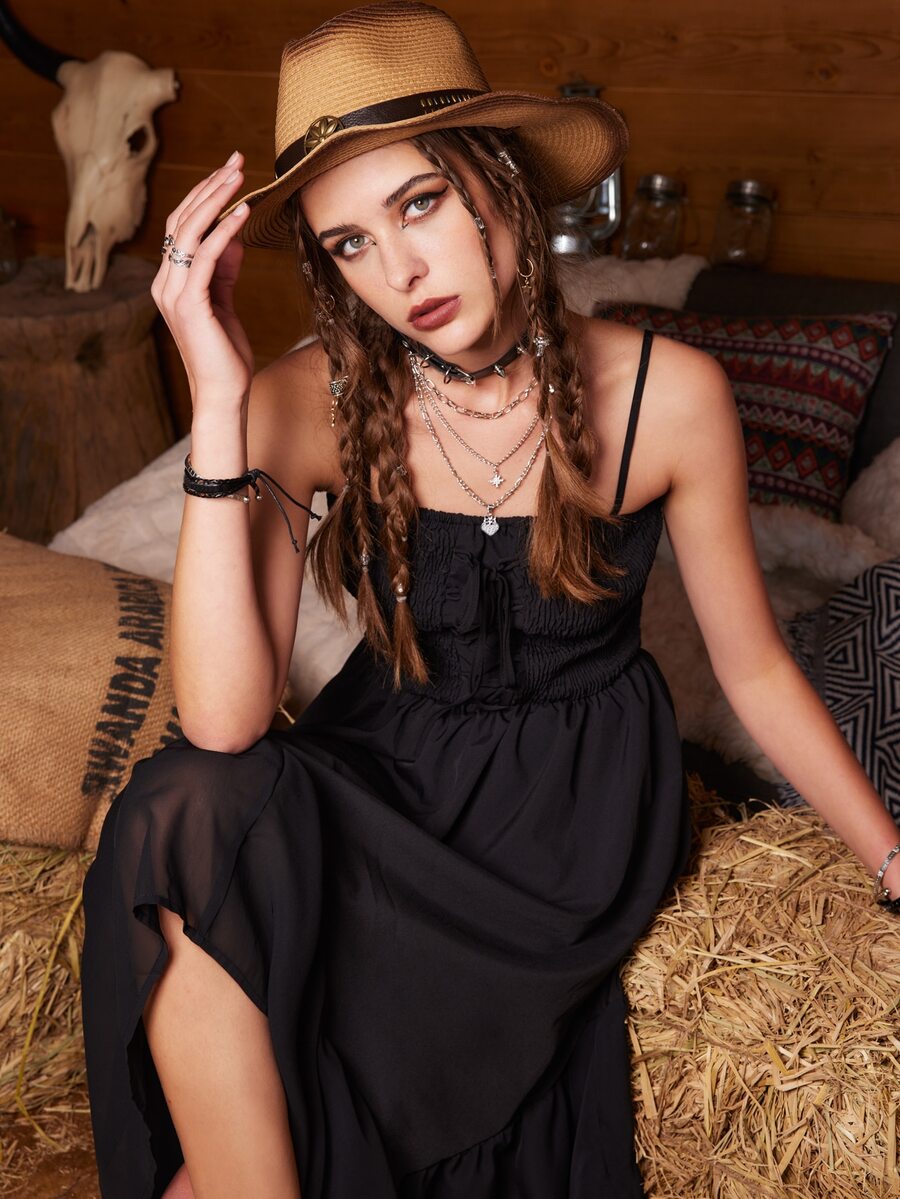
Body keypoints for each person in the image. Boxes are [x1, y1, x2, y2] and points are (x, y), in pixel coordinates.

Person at [79, 3, 900, 1197]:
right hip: (387, 761)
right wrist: (215, 400)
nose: (399, 272)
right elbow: (223, 722)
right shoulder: (304, 397)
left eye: (418, 204)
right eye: (350, 244)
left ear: (501, 180)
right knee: (177, 810)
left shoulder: (667, 395)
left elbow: (756, 667)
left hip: (567, 810)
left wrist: (890, 855)